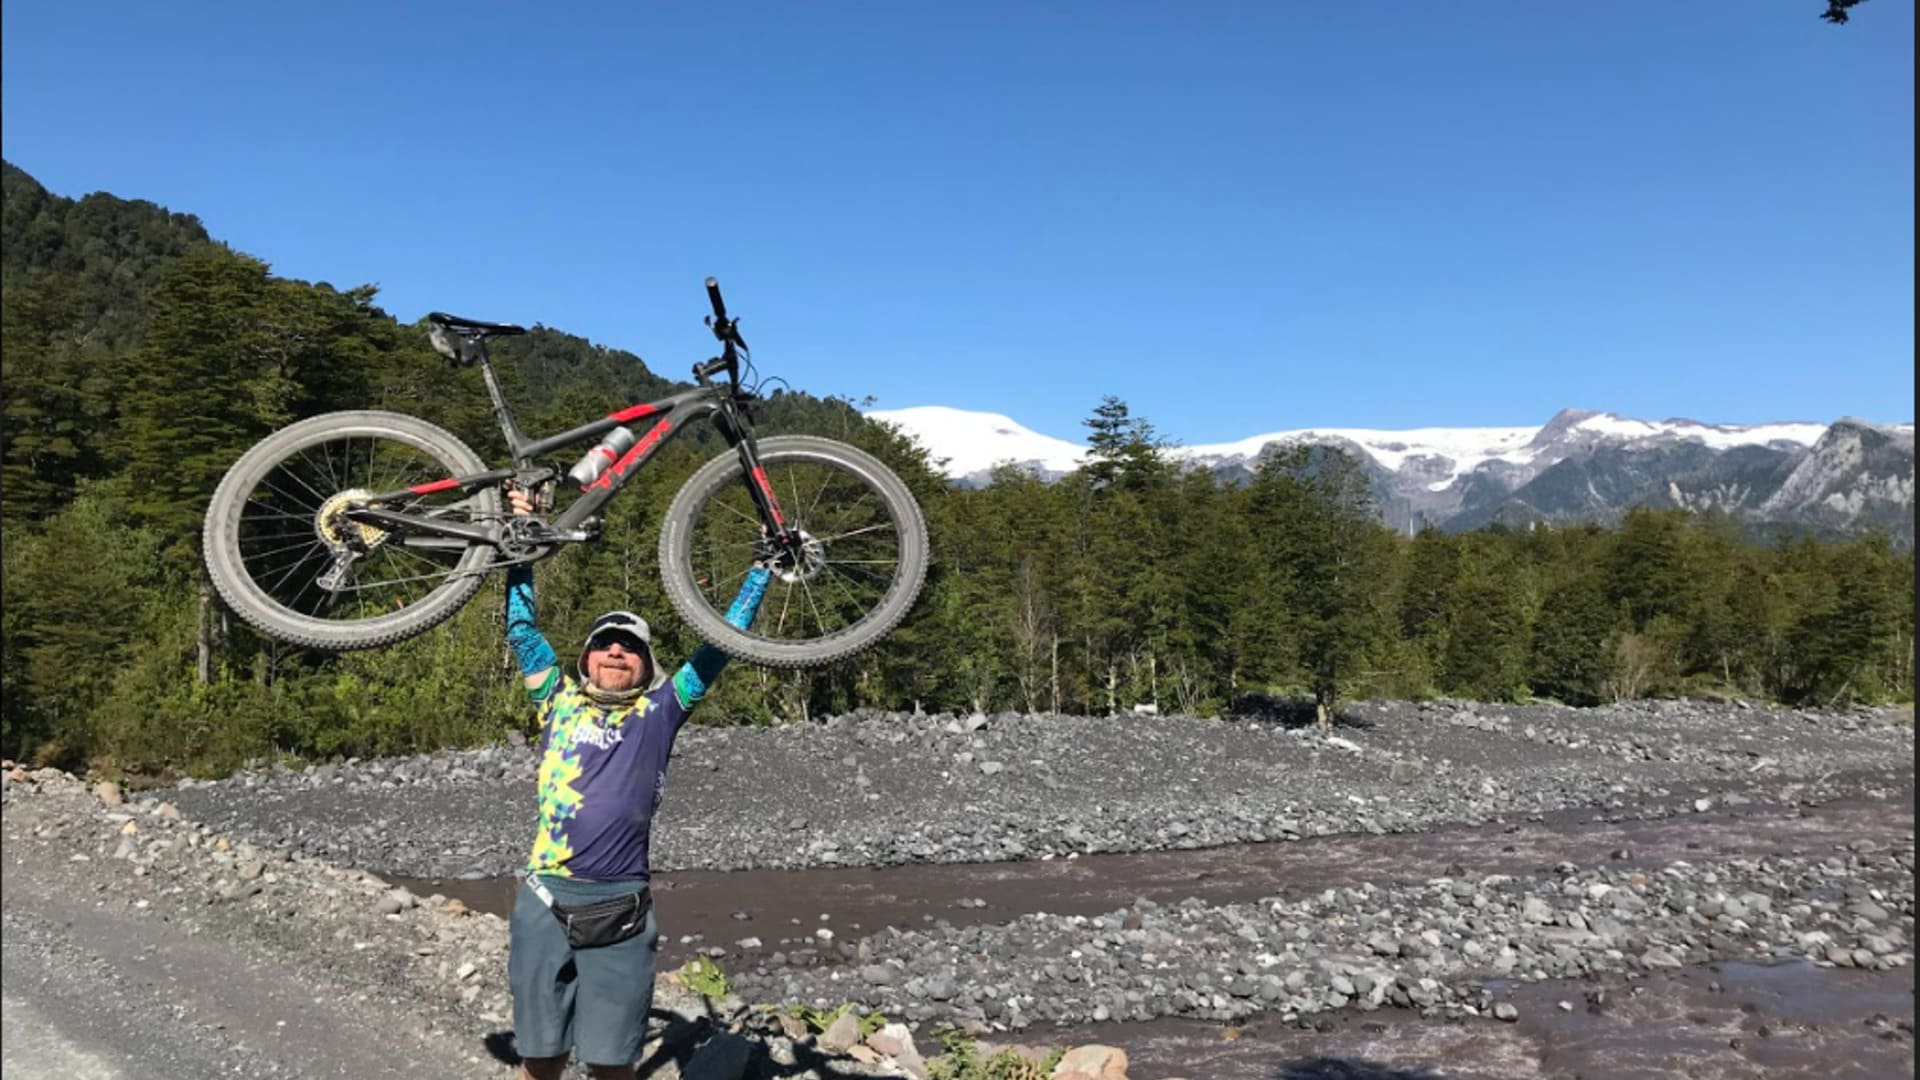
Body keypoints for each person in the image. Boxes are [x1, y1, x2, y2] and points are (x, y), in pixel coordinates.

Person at [501, 483, 769, 1080]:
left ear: (647, 665)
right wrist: (519, 539)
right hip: (544, 898)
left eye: (630, 647)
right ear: (586, 659)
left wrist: (761, 571)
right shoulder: (555, 700)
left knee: (611, 1066)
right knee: (539, 1058)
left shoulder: (662, 710)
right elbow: (521, 630)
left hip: (622, 906)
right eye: (604, 644)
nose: (616, 652)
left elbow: (720, 647)